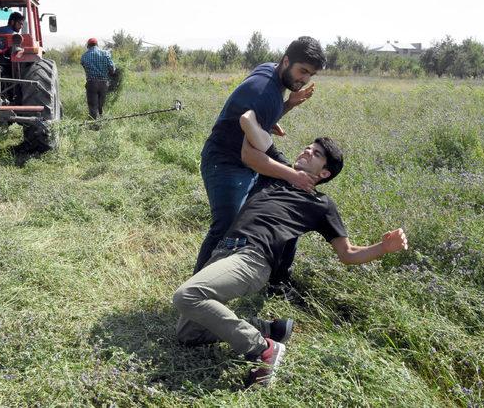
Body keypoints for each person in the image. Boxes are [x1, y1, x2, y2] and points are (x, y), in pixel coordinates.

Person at [173, 137, 409, 387]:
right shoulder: (278, 171)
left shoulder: (321, 204)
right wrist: (279, 110)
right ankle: (267, 328)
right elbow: (250, 148)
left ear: (325, 172)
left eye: (316, 153)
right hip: (223, 252)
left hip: (253, 257)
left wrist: (384, 247)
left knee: (187, 296)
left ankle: (262, 348)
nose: (307, 150)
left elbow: (347, 253)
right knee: (188, 334)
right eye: (308, 147)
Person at [194, 36, 327, 282]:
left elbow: (251, 118)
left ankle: (274, 280)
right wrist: (293, 175)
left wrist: (286, 106)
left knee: (278, 207)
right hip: (226, 162)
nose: (305, 79)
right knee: (227, 226)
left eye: (311, 75)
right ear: (286, 61)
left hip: (241, 160)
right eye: (303, 71)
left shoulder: (269, 70)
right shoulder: (264, 94)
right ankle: (194, 294)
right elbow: (251, 155)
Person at [80, 38, 116, 119]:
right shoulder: (105, 54)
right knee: (101, 106)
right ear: (97, 45)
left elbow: (83, 65)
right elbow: (112, 70)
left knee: (93, 106)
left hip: (91, 83)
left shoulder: (84, 56)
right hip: (104, 84)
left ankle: (94, 125)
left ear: (88, 46)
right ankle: (101, 122)